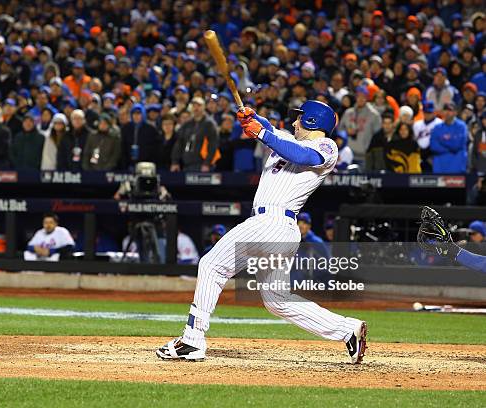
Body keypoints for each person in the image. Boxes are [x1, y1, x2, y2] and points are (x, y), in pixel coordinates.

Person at [157, 100, 367, 364]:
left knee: (211, 266)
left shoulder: (326, 147)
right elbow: (272, 131)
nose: (294, 122)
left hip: (274, 222)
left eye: (299, 118)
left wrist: (262, 132)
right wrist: (253, 118)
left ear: (313, 121)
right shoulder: (286, 138)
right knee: (276, 300)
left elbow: (301, 155)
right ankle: (347, 330)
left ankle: (192, 340)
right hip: (276, 230)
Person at [418, 206, 486, 273]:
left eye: (473, 233)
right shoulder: (467, 244)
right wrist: (452, 250)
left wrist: (454, 251)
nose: (470, 236)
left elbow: (482, 265)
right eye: (469, 233)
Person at [170, 97, 219, 172]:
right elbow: (179, 143)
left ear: (204, 107)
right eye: (194, 106)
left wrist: (207, 163)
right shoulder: (187, 124)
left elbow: (213, 145)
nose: (196, 108)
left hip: (203, 165)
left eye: (199, 105)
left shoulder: (210, 124)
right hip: (187, 164)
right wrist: (175, 162)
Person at [338, 86, 382, 164]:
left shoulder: (374, 115)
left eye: (363, 96)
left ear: (367, 98)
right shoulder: (348, 113)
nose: (361, 99)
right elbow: (339, 131)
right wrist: (346, 132)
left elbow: (378, 137)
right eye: (358, 96)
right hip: (347, 155)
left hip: (364, 156)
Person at [120, 103, 162, 169]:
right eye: (134, 113)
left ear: (143, 114)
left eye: (138, 113)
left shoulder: (151, 129)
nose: (136, 116)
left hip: (146, 164)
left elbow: (154, 149)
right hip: (128, 164)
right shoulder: (126, 128)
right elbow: (123, 147)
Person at [430, 103, 468, 174]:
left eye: (450, 110)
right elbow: (433, 146)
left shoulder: (461, 126)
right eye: (445, 110)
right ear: (442, 112)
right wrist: (450, 141)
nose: (447, 112)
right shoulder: (437, 128)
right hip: (440, 168)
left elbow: (457, 145)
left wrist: (442, 141)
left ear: (455, 112)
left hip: (457, 167)